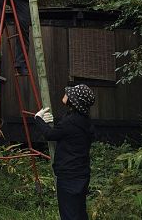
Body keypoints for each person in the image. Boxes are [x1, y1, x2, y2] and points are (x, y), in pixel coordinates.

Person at [33, 84, 96, 220]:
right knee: (79, 212)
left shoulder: (70, 122)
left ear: (74, 102)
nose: (67, 93)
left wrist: (38, 119)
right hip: (82, 173)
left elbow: (50, 134)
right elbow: (65, 132)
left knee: (69, 215)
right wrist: (51, 122)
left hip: (69, 176)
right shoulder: (84, 120)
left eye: (71, 94)